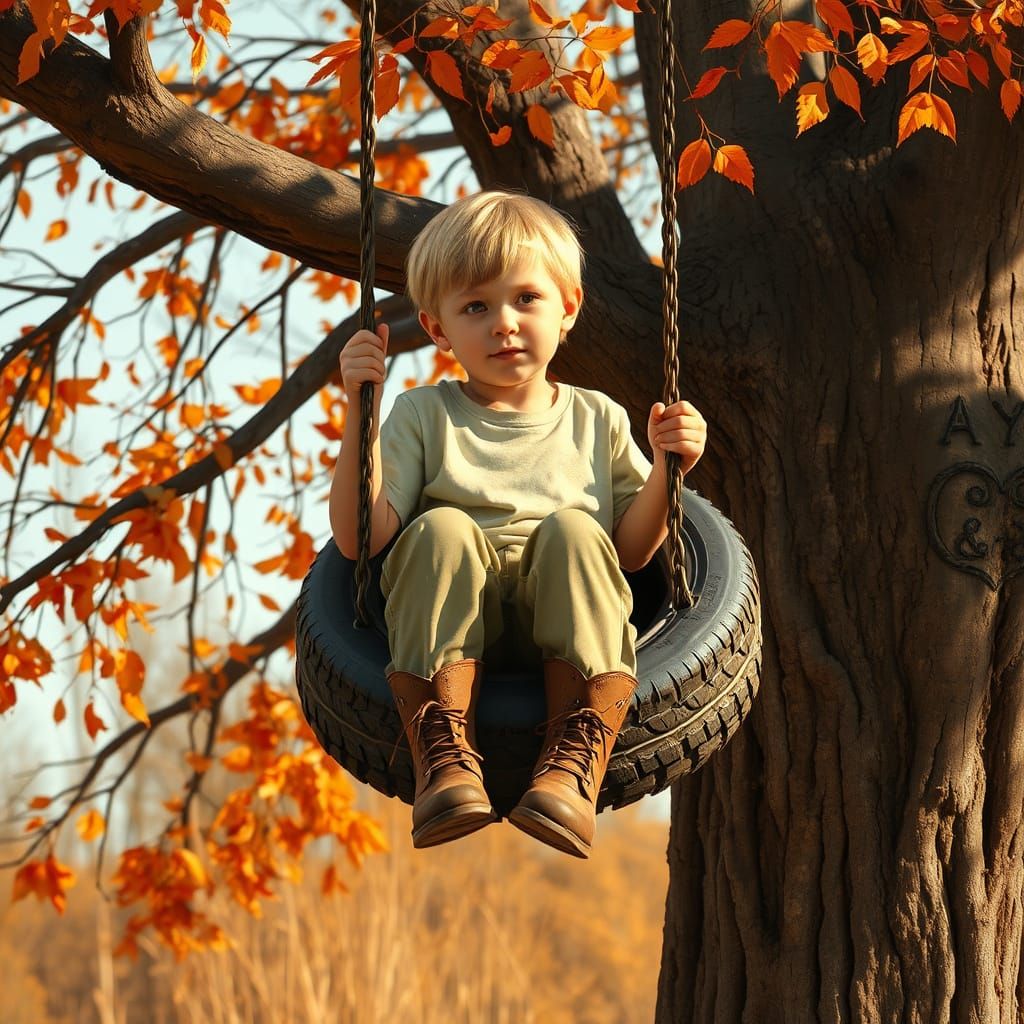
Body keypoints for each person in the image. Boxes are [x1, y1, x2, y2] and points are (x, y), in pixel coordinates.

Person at [330, 191, 706, 858]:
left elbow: (632, 550)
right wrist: (361, 412)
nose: (503, 323)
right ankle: (442, 753)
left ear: (568, 308)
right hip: (452, 622)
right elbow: (363, 540)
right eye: (476, 306)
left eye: (525, 299)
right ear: (438, 328)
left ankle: (571, 761)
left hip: (563, 625)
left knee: (575, 533)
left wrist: (667, 471)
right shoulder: (423, 415)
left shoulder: (597, 418)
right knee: (441, 529)